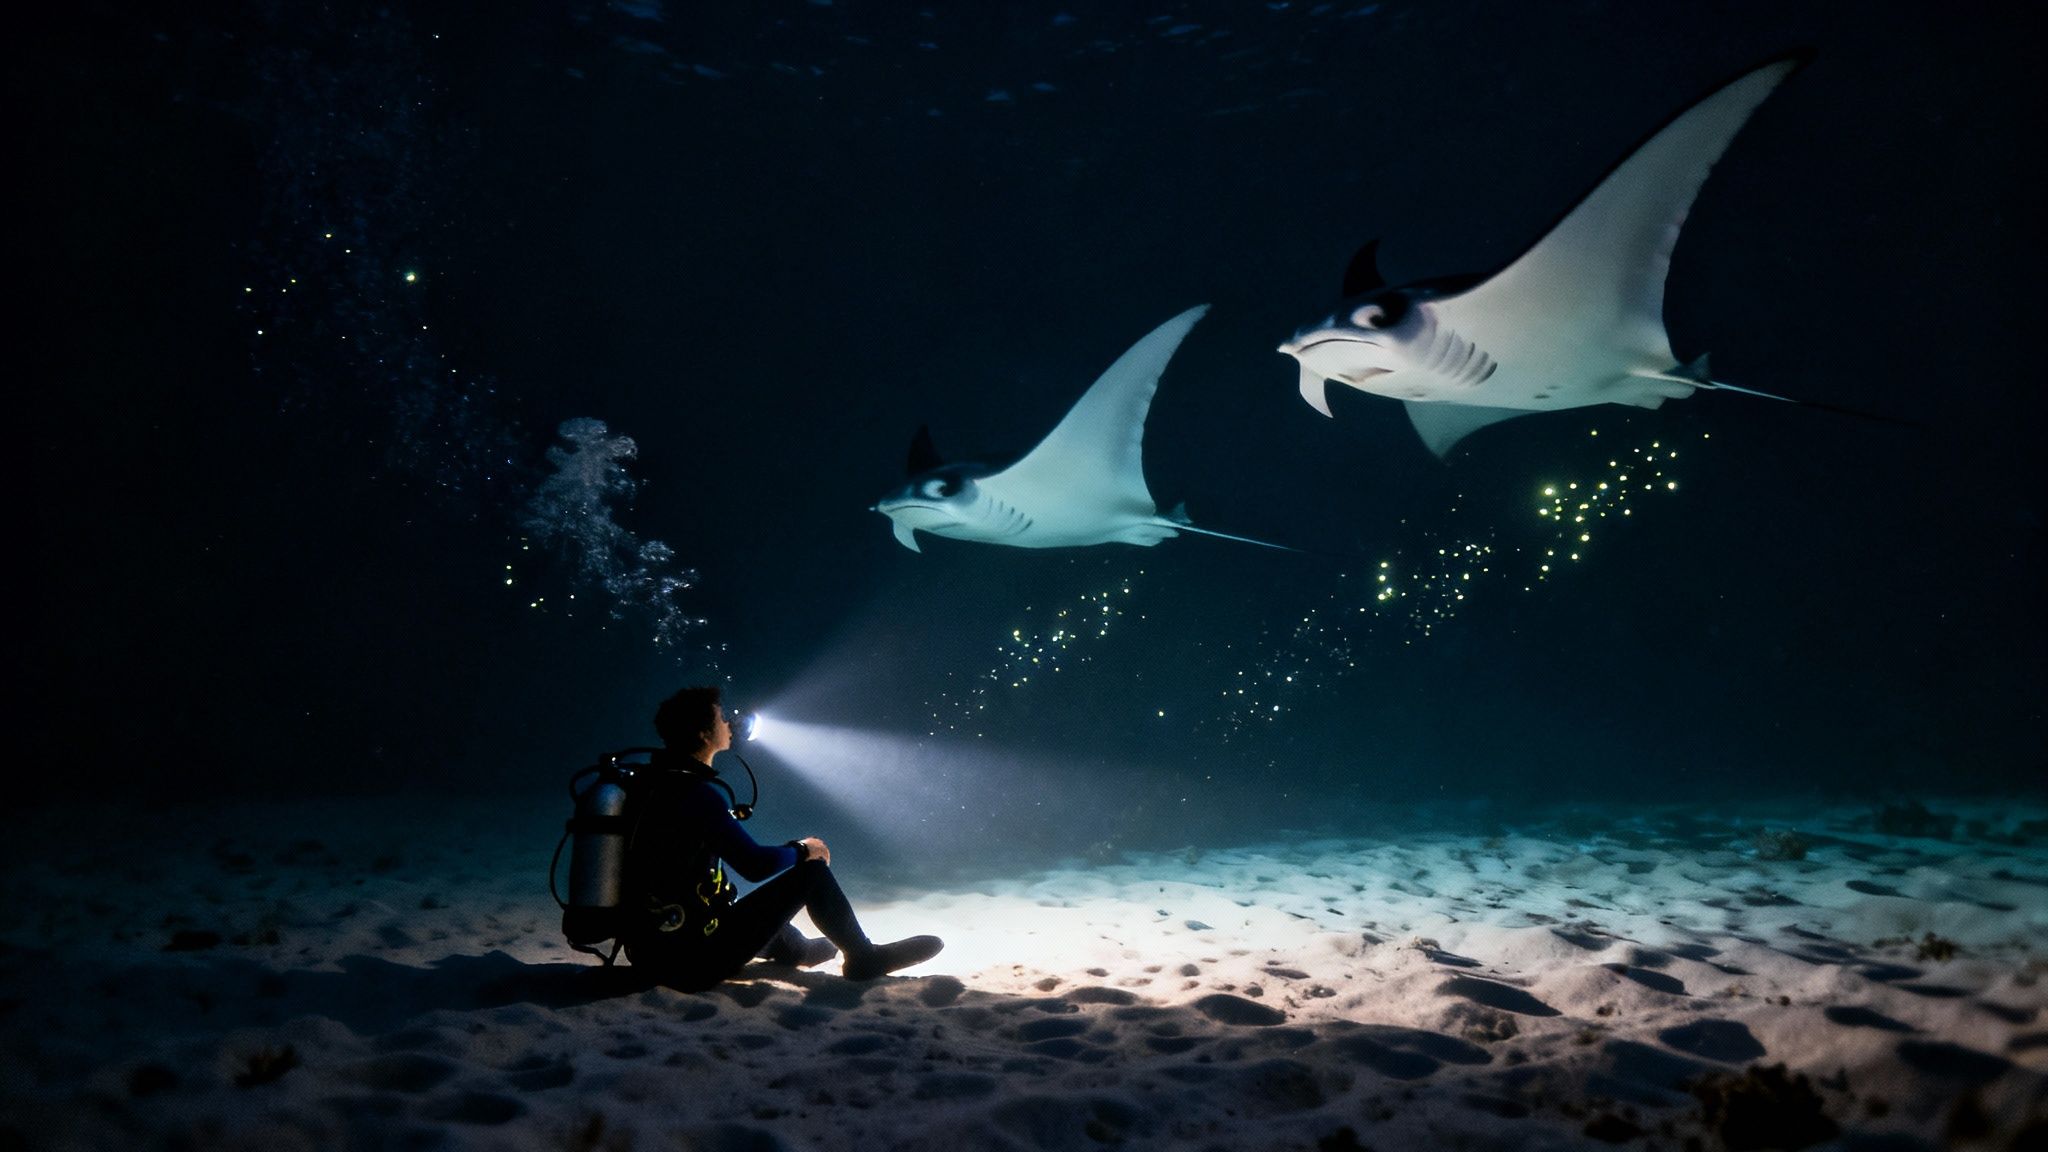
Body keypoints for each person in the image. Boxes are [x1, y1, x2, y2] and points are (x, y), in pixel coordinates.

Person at [621, 685, 944, 991]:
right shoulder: (695, 794)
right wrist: (804, 849)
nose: (730, 723)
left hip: (652, 951)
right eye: (721, 717)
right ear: (705, 733)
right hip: (691, 962)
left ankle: (797, 950)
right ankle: (864, 958)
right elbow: (754, 865)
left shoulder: (650, 785)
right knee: (813, 874)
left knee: (753, 917)